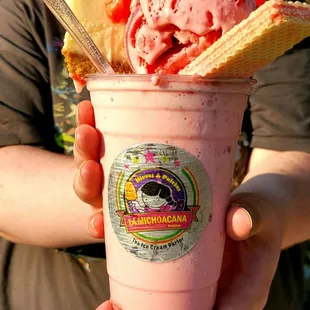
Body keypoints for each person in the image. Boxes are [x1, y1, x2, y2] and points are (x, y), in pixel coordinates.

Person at [0, 0, 310, 310]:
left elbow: (295, 151)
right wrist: (110, 196)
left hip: (241, 287)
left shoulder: (259, 11)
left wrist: (264, 213)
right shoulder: (28, 9)